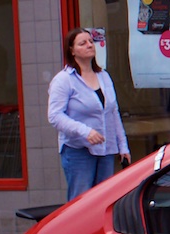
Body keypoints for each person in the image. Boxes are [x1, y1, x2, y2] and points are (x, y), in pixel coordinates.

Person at [48, 28, 129, 200]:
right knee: (81, 202)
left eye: (91, 42)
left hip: (106, 149)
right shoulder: (64, 80)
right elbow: (55, 116)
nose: (89, 45)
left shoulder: (103, 76)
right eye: (82, 43)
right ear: (72, 50)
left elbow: (113, 113)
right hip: (78, 150)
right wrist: (85, 131)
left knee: (105, 199)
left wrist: (123, 146)